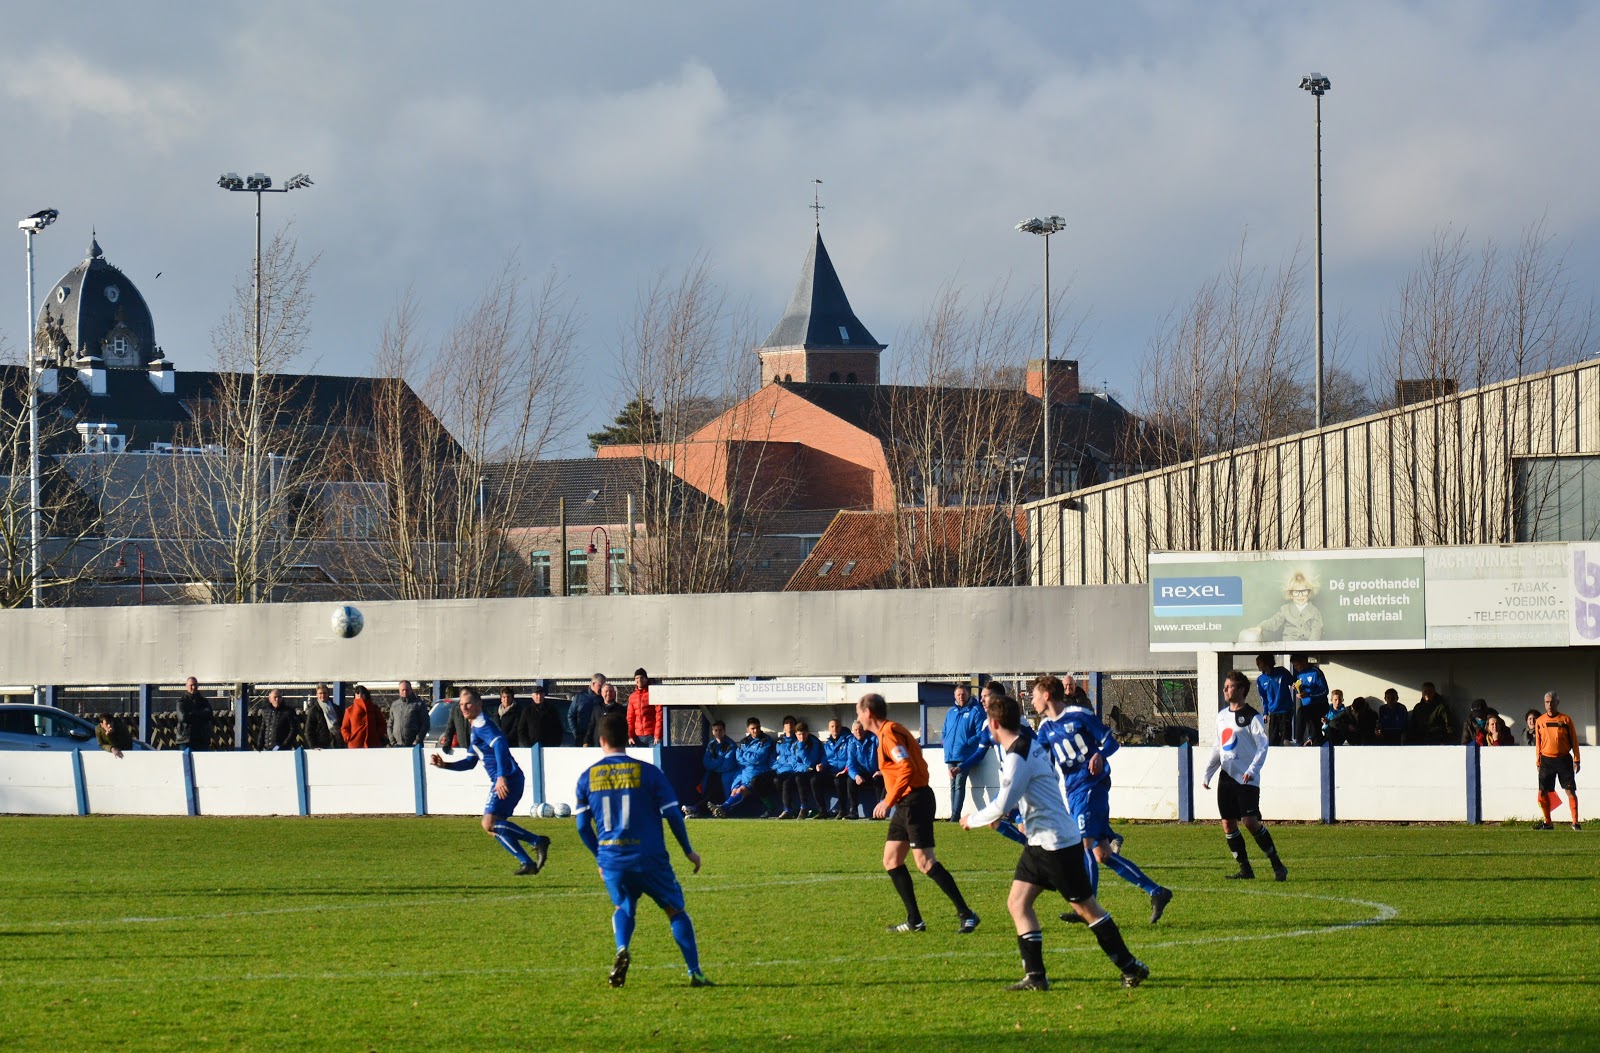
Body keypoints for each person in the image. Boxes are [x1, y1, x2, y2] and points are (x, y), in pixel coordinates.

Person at [961, 692, 1150, 991]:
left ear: (995, 725)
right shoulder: (1030, 745)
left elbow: (1002, 805)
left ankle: (1130, 966)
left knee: (1086, 909)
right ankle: (1036, 977)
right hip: (1040, 842)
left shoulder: (1018, 755)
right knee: (1018, 902)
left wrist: (971, 819)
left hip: (1058, 844)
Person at [575, 711, 712, 988]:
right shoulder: (648, 773)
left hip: (614, 859)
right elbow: (673, 815)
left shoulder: (587, 778)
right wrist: (688, 850)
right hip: (651, 859)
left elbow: (581, 826)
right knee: (675, 910)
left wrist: (600, 858)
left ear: (601, 740)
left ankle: (622, 948)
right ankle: (695, 972)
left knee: (623, 906)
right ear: (627, 737)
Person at [1031, 674, 1173, 926]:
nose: (1032, 701)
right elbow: (1041, 759)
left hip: (1092, 785)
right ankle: (1156, 891)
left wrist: (1098, 754)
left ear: (1047, 695)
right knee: (1102, 854)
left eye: (1034, 695)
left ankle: (1088, 906)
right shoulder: (1044, 728)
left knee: (1083, 844)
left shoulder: (1080, 715)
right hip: (1073, 791)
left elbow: (1111, 742)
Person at [857, 692, 980, 934]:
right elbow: (913, 762)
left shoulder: (889, 733)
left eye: (859, 712)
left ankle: (967, 914)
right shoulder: (893, 731)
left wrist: (888, 800)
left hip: (914, 801)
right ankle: (915, 920)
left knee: (925, 862)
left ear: (868, 713)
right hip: (907, 801)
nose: (858, 718)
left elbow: (907, 767)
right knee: (891, 860)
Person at [430, 686, 551, 875]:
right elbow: (470, 762)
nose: (464, 707)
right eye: (461, 704)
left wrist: (501, 776)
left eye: (468, 703)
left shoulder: (482, 724)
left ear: (478, 704)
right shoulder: (475, 727)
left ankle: (537, 841)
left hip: (507, 778)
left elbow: (501, 743)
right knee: (493, 827)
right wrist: (445, 765)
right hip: (507, 778)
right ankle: (527, 863)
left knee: (489, 823)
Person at [1202, 671, 1289, 881]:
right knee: (1228, 824)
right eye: (1225, 686)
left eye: (1229, 686)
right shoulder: (1221, 716)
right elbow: (1219, 746)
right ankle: (1245, 870)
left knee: (1250, 821)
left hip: (1246, 779)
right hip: (1226, 777)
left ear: (1241, 690)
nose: (1225, 689)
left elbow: (1263, 745)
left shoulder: (1252, 716)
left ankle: (1277, 864)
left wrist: (1252, 770)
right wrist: (1208, 773)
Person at [710, 718, 778, 817]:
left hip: (758, 771)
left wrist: (745, 755)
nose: (756, 730)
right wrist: (749, 758)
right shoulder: (744, 741)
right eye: (753, 728)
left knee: (741, 790)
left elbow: (757, 758)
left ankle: (723, 808)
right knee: (734, 791)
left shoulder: (765, 740)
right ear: (748, 730)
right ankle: (724, 810)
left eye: (758, 728)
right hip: (744, 771)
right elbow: (738, 758)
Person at [1533, 691, 1581, 831]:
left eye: (1552, 702)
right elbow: (1538, 742)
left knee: (1570, 791)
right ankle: (1548, 822)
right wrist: (1538, 761)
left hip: (1564, 760)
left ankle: (1575, 822)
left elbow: (1574, 741)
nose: (1549, 705)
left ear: (1557, 703)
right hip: (1546, 760)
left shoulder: (1566, 720)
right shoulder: (1540, 721)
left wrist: (1577, 759)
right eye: (1547, 702)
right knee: (1543, 792)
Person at [942, 683, 986, 822]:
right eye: (958, 694)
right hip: (950, 754)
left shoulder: (976, 711)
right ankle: (953, 813)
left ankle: (955, 816)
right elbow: (944, 731)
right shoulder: (951, 712)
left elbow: (981, 733)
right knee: (953, 785)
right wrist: (945, 742)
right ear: (955, 696)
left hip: (965, 754)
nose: (961, 697)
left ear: (969, 695)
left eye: (964, 694)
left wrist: (967, 742)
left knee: (960, 783)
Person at [1248, 571, 1325, 643]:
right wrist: (1261, 627)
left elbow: (1317, 630)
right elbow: (1274, 622)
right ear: (1291, 594)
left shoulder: (1314, 611)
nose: (1300, 595)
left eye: (1304, 591)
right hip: (1289, 646)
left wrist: (1310, 647)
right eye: (1296, 592)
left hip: (1306, 648)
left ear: (1309, 592)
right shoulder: (1285, 609)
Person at [685, 719, 738, 817]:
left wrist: (714, 764)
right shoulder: (711, 744)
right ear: (712, 732)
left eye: (720, 730)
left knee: (714, 791)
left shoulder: (730, 745)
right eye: (716, 730)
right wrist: (719, 761)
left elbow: (727, 765)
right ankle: (696, 809)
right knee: (706, 790)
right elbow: (706, 763)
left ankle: (696, 809)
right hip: (713, 774)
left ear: (724, 731)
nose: (718, 732)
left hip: (727, 775)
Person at [776, 721, 825, 819]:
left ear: (808, 733)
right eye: (799, 734)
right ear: (796, 734)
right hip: (801, 770)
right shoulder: (794, 744)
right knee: (786, 781)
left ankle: (804, 808)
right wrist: (802, 767)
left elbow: (810, 761)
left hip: (812, 770)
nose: (802, 737)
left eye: (804, 734)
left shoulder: (814, 742)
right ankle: (788, 810)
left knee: (800, 778)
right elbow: (794, 762)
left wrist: (802, 748)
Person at [1254, 654, 1297, 747]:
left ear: (1266, 663)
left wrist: (1296, 686)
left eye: (1259, 662)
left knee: (1286, 740)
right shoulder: (1260, 680)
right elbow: (1263, 698)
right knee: (1273, 741)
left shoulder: (1281, 672)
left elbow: (1293, 682)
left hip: (1286, 710)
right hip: (1273, 712)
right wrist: (1265, 713)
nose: (1257, 664)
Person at [1289, 654, 1329, 746]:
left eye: (1296, 665)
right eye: (1294, 666)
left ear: (1304, 662)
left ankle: (1298, 741)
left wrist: (1309, 694)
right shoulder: (1299, 674)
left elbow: (1325, 690)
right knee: (1313, 727)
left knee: (1301, 712)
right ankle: (1317, 741)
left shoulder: (1315, 672)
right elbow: (1302, 691)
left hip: (1320, 704)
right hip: (1308, 706)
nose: (1295, 668)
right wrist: (1297, 688)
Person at [846, 718, 882, 818]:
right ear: (853, 732)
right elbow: (851, 764)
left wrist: (881, 771)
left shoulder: (874, 739)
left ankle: (879, 812)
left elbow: (884, 756)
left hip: (876, 772)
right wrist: (856, 776)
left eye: (860, 729)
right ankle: (853, 811)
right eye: (856, 730)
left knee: (878, 780)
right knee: (850, 781)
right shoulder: (851, 743)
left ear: (865, 729)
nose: (858, 732)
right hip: (862, 773)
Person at [821, 718, 854, 818]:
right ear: (829, 728)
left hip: (845, 771)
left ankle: (843, 809)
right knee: (814, 780)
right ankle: (822, 810)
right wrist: (822, 765)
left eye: (837, 726)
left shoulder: (849, 740)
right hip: (831, 771)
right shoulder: (827, 744)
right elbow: (825, 759)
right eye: (832, 726)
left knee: (838, 781)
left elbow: (851, 757)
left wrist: (845, 770)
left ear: (841, 727)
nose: (834, 728)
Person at [175, 676, 214, 752]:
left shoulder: (203, 701)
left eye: (195, 685)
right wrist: (200, 714)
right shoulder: (181, 702)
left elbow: (209, 714)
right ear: (186, 686)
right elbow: (183, 717)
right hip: (185, 739)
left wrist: (192, 713)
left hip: (201, 739)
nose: (193, 687)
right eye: (191, 685)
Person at [387, 680, 429, 748]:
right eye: (403, 690)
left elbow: (425, 724)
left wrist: (417, 740)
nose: (405, 692)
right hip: (397, 745)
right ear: (399, 691)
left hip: (414, 745)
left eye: (407, 690)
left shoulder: (419, 704)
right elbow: (390, 725)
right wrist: (392, 741)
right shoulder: (395, 705)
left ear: (411, 690)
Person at [626, 668, 662, 747]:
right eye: (637, 678)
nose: (639, 680)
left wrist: (657, 735)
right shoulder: (632, 697)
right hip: (637, 737)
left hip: (652, 736)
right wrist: (630, 736)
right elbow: (630, 718)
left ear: (646, 679)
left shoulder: (653, 694)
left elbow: (659, 715)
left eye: (641, 677)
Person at [568, 674, 606, 747]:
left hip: (597, 738)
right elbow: (571, 715)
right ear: (593, 684)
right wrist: (576, 733)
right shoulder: (579, 697)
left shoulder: (602, 699)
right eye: (600, 685)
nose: (602, 688)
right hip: (581, 737)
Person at [586, 683, 627, 749]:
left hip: (614, 745)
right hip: (598, 744)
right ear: (602, 693)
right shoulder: (596, 708)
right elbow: (591, 726)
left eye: (611, 691)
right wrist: (586, 741)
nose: (608, 694)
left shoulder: (620, 709)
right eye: (606, 691)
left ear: (614, 694)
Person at [303, 683, 343, 749]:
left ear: (328, 694)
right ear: (317, 695)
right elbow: (308, 731)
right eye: (320, 693)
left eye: (325, 693)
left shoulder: (336, 708)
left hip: (338, 742)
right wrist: (313, 746)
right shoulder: (313, 711)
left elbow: (342, 724)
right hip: (322, 745)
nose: (323, 695)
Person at [527, 683, 565, 749]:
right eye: (537, 694)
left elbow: (558, 728)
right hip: (531, 748)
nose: (539, 696)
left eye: (541, 694)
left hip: (549, 748)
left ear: (544, 695)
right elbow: (521, 730)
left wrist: (555, 744)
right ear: (532, 696)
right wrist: (527, 746)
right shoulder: (527, 711)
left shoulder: (552, 710)